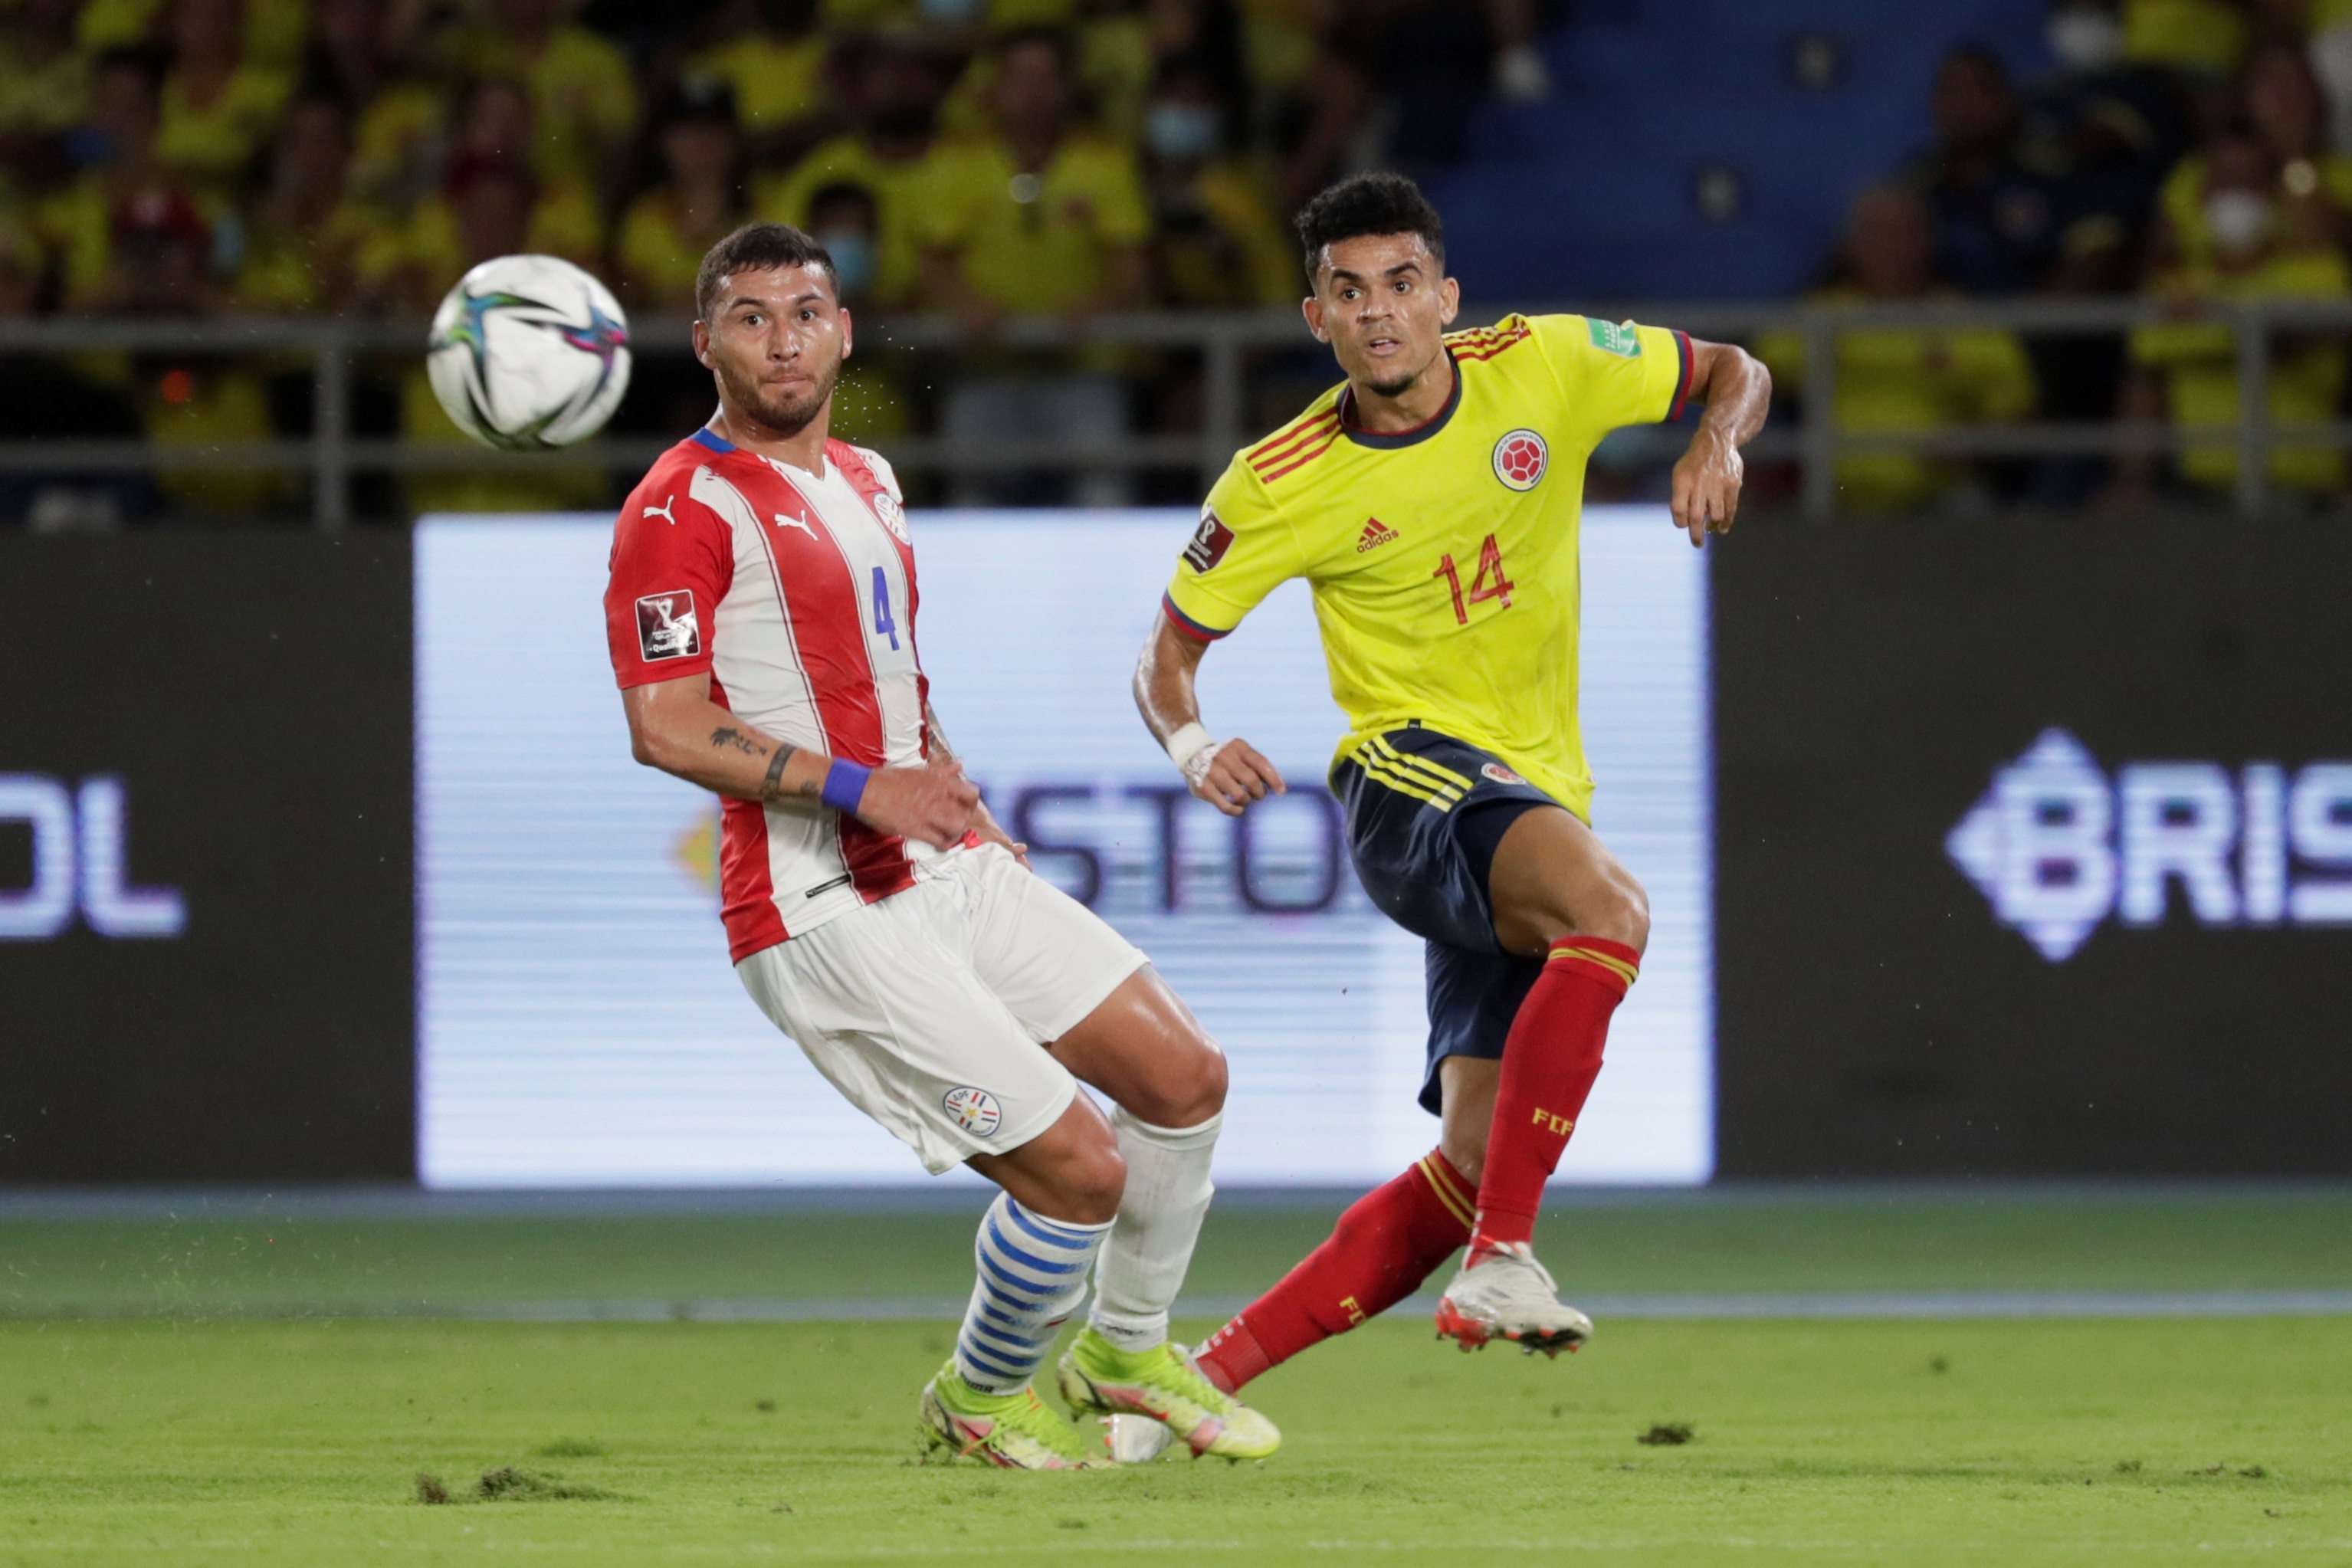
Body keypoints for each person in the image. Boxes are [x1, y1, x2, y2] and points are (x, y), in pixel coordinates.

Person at [602, 221, 1281, 1471]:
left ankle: (1125, 1349)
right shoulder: (674, 507)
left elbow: (888, 677)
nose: (783, 336)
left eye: (805, 309)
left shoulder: (868, 476)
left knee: (1185, 1082)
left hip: (942, 865)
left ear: (844, 329)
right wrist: (867, 787)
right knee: (1077, 1172)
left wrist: (948, 787)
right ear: (705, 345)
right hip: (816, 910)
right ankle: (980, 1393)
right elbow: (665, 724)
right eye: (749, 316)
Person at [1131, 173, 1767, 1396]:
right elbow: (1167, 655)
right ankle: (1508, 1259)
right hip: (1403, 779)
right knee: (1613, 913)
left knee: (1473, 1158)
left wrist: (1715, 436)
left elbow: (1734, 365)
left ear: (1446, 297)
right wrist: (1192, 743)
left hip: (1525, 798)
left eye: (1403, 285)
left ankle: (1185, 1386)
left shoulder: (1544, 363)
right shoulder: (1278, 478)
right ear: (1315, 317)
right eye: (1349, 292)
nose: (1380, 314)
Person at [1754, 185, 2038, 512]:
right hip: (1834, 490)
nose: (1893, 248)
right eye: (1877, 234)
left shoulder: (1967, 322)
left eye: (1906, 234)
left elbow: (2019, 414)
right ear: (1850, 245)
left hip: (1940, 493)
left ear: (1929, 241)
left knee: (1970, 509)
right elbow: (1754, 380)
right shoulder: (1819, 316)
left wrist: (1973, 442)